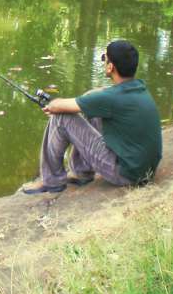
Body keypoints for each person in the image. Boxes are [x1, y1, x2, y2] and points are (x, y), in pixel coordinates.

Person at [22, 40, 162, 194]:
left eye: (105, 58)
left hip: (125, 174)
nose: (104, 62)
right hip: (143, 170)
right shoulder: (139, 88)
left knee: (61, 116)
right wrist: (84, 99)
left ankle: (51, 181)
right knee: (91, 104)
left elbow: (57, 107)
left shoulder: (110, 99)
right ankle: (82, 171)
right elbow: (98, 97)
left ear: (110, 66)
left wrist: (53, 105)